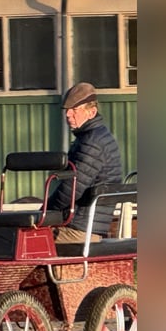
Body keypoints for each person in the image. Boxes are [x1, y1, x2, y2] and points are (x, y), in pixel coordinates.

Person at [48, 82, 123, 243]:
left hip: (79, 229)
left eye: (74, 110)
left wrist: (43, 215)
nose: (68, 114)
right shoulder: (97, 136)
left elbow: (71, 189)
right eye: (67, 110)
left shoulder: (91, 143)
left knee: (22, 240)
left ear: (92, 112)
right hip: (84, 225)